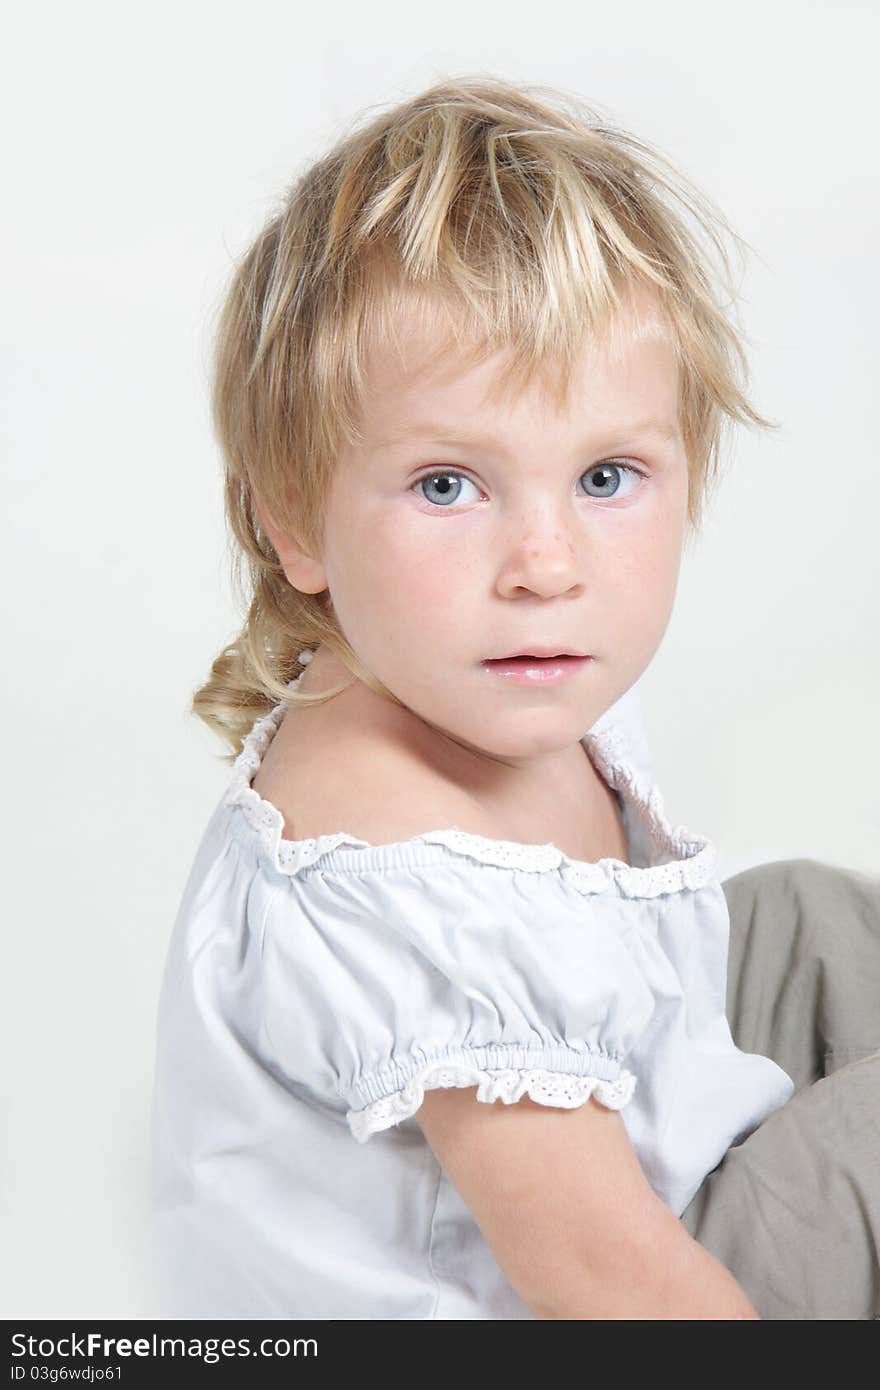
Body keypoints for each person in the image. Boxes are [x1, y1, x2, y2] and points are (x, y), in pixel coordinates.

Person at [149, 75, 880, 1320]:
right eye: (447, 486)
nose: (546, 565)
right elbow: (605, 1278)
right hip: (602, 1282)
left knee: (809, 916)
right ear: (292, 518)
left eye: (606, 474)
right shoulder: (413, 881)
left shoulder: (475, 665)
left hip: (623, 1121)